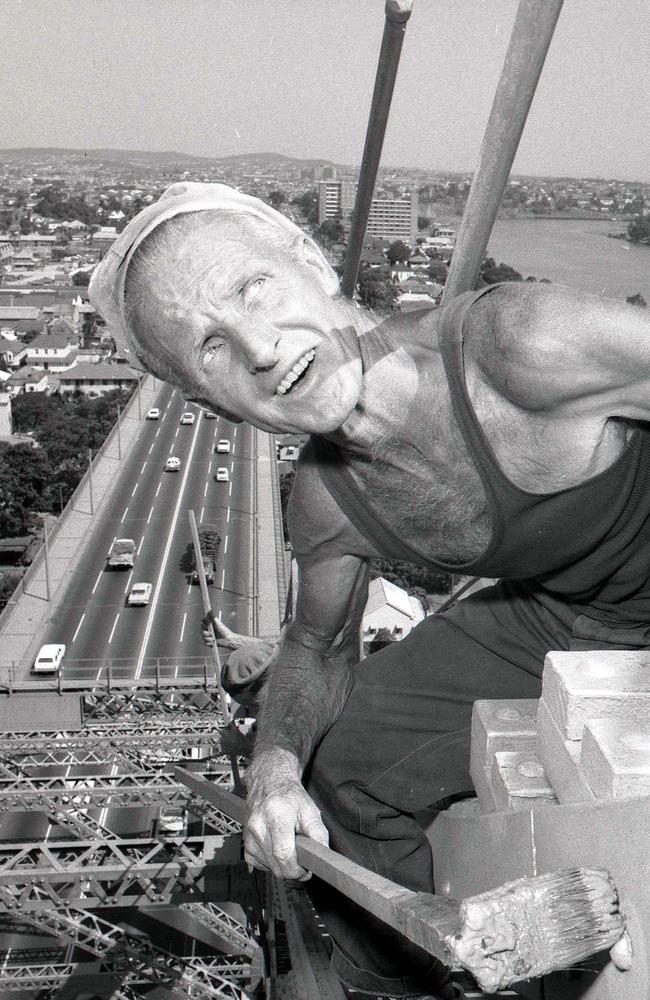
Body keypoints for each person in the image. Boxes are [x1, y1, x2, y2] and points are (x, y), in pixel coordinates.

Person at [90, 182, 650, 998]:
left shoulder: (522, 344)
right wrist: (275, 769)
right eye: (210, 347)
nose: (260, 346)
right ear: (209, 400)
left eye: (254, 287)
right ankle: (433, 971)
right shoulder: (326, 503)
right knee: (340, 763)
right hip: (569, 607)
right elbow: (316, 649)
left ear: (311, 263)